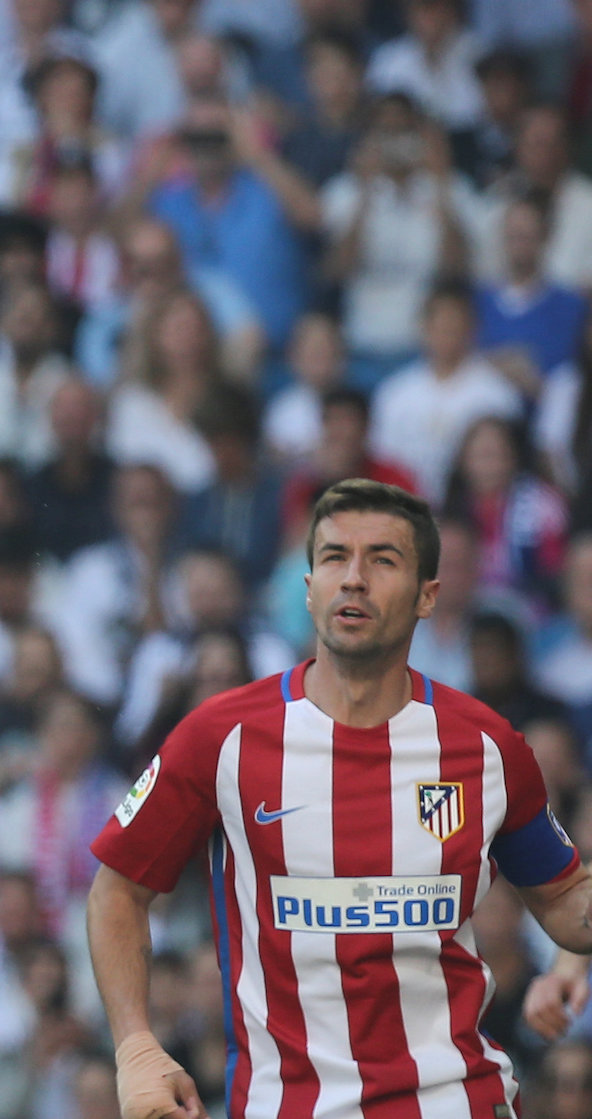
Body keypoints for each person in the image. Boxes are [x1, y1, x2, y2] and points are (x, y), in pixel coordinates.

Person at [87, 478, 592, 1119]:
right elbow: (117, 890)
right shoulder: (221, 737)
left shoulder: (488, 747)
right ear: (307, 588)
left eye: (382, 560)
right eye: (333, 558)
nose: (353, 579)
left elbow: (566, 902)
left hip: (454, 1102)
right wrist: (136, 1046)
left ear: (428, 597)